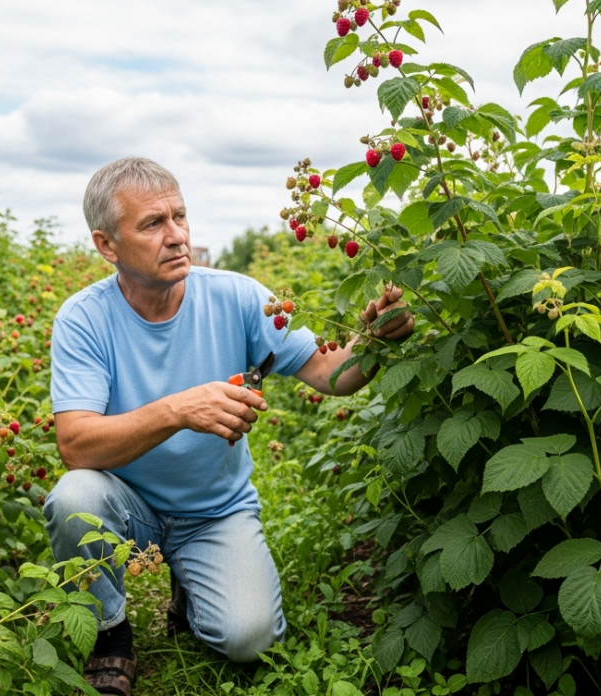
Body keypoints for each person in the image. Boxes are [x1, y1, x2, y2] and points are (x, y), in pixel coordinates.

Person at [43, 157, 413, 695]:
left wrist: (375, 338)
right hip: (128, 505)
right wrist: (178, 409)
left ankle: (191, 592)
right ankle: (110, 636)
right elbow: (75, 445)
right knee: (75, 497)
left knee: (250, 638)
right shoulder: (85, 318)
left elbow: (331, 374)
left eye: (180, 216)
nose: (177, 237)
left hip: (213, 513)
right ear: (107, 245)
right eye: (152, 224)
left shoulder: (237, 296)